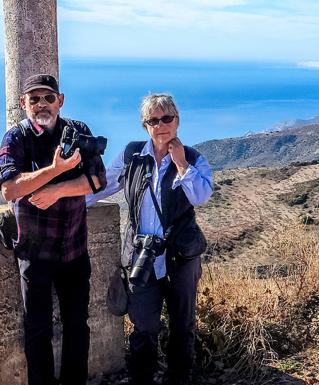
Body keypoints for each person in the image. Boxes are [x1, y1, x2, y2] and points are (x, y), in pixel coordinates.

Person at [87, 94, 213, 385]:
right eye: (153, 120)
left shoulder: (193, 158)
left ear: (177, 121)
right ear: (145, 126)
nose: (161, 125)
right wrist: (61, 201)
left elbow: (201, 196)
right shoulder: (133, 155)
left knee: (183, 324)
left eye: (167, 118)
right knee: (143, 326)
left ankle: (178, 377)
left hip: (180, 257)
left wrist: (181, 164)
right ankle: (142, 378)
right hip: (141, 257)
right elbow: (102, 185)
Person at [0, 74, 106, 385]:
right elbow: (9, 189)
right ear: (23, 104)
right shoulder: (16, 138)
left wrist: (57, 189)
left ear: (60, 100)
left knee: (77, 326)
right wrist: (55, 171)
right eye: (34, 99)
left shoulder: (78, 131)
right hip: (35, 253)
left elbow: (98, 180)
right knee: (37, 329)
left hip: (74, 249)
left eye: (48, 98)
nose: (42, 104)